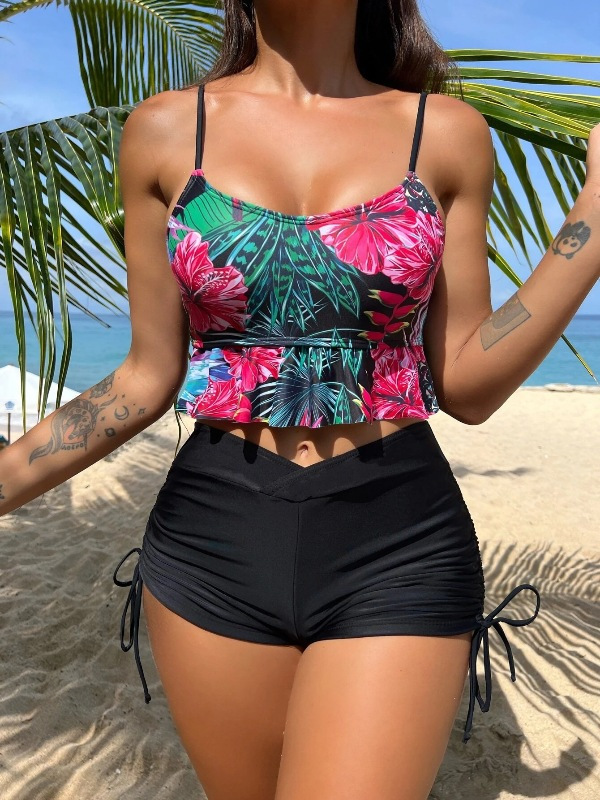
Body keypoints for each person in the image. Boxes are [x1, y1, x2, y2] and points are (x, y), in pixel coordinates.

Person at [2, 1, 598, 797]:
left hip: (397, 538)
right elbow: (144, 378)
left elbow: (466, 381)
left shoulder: (444, 132)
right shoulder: (166, 131)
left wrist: (594, 219)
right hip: (212, 538)